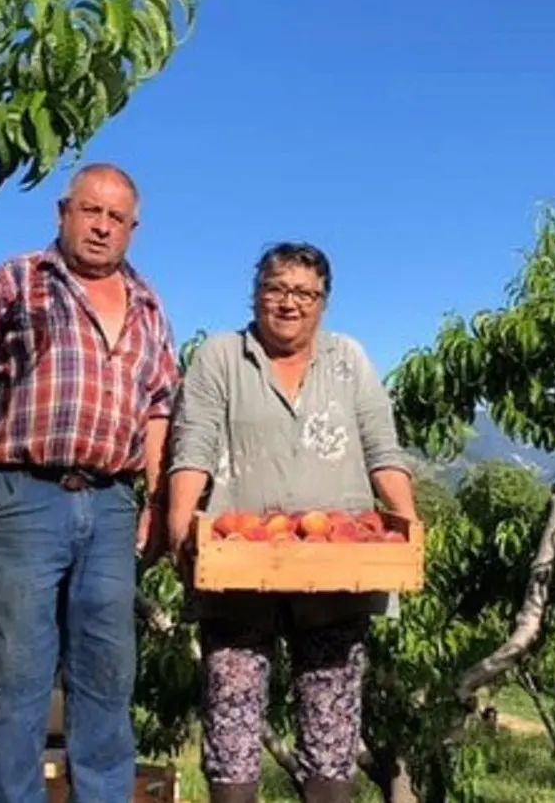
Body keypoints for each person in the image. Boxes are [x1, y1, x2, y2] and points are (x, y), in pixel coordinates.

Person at [0, 162, 180, 803]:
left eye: (116, 218)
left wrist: (154, 500)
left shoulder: (150, 305)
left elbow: (159, 408)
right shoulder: (17, 281)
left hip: (112, 504)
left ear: (134, 228)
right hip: (21, 496)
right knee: (13, 674)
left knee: (107, 673)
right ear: (63, 212)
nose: (102, 227)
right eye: (90, 211)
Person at [164, 241, 421, 803]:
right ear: (255, 294)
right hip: (238, 567)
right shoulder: (221, 356)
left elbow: (383, 451)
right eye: (276, 289)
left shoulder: (348, 359)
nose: (289, 303)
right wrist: (181, 527)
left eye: (304, 293)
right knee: (231, 714)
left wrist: (406, 530)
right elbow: (193, 448)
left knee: (331, 722)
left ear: (323, 303)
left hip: (337, 571)